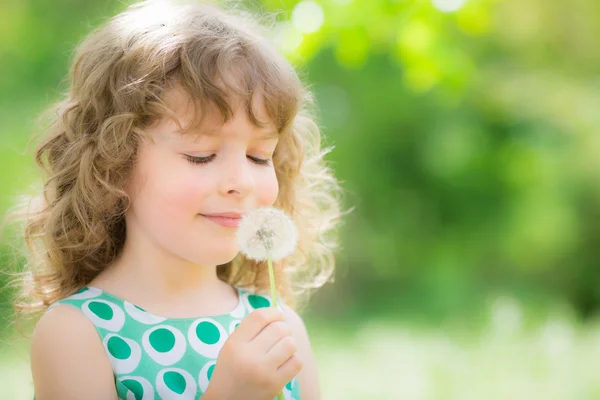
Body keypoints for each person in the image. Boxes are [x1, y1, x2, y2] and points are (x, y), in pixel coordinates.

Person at [6, 0, 344, 398]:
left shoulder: (278, 328)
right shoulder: (77, 334)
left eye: (259, 156)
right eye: (200, 155)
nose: (241, 182)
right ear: (113, 164)